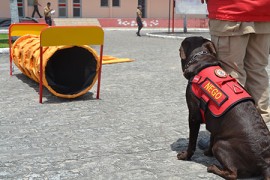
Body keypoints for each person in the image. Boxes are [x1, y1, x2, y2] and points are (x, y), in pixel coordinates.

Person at [198, 0, 270, 149]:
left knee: (230, 76)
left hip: (230, 10)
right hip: (263, 11)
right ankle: (262, 134)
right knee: (257, 71)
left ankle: (233, 136)